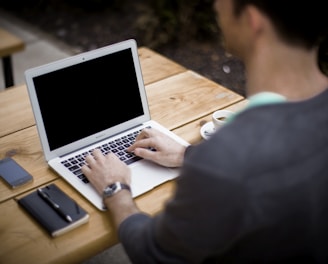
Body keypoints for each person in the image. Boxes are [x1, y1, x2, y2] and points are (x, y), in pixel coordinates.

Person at [82, 0, 328, 262]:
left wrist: (115, 189)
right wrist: (189, 155)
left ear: (252, 20)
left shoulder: (230, 157)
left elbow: (152, 254)